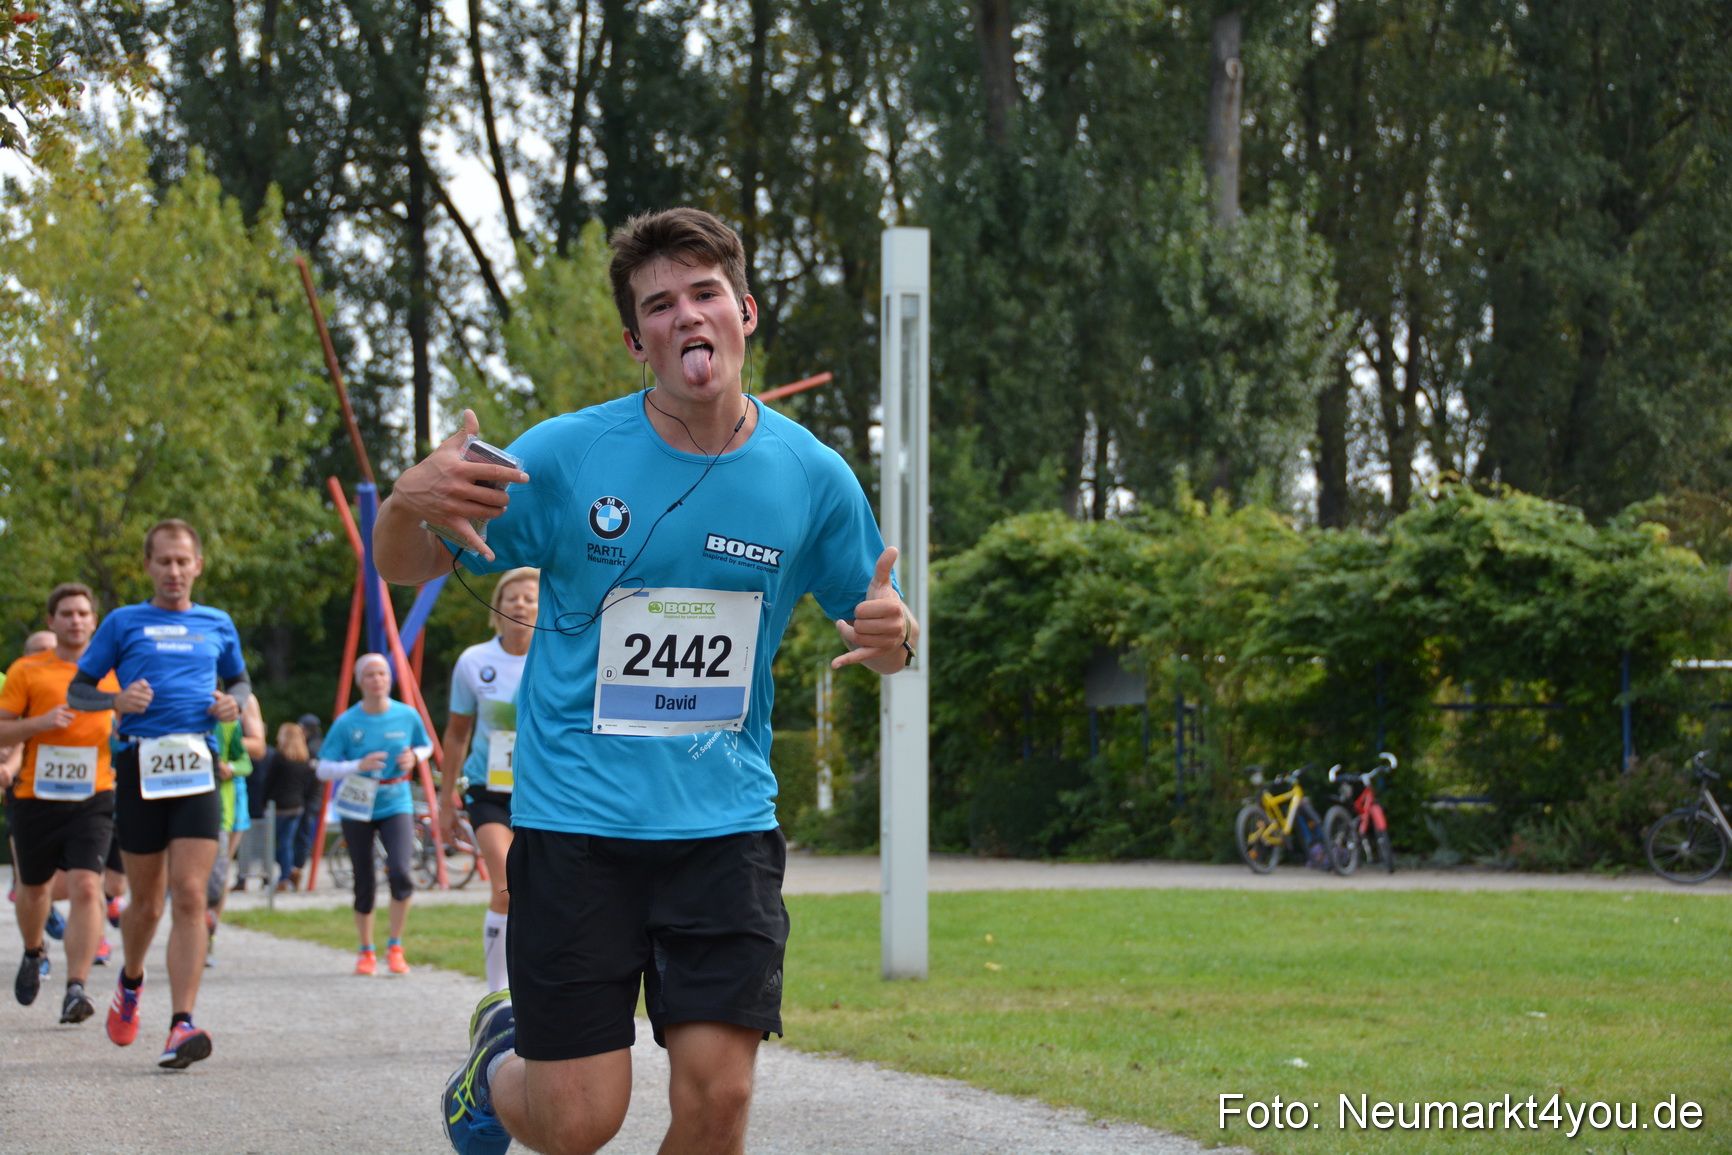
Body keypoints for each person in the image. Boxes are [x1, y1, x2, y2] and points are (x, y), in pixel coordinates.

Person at [374, 207, 919, 1155]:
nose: (685, 316)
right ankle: (494, 1060)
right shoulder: (566, 455)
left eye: (704, 293)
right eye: (658, 305)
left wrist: (895, 636)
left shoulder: (812, 475)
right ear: (638, 342)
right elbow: (408, 564)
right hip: (578, 826)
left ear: (744, 312)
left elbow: (880, 617)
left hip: (726, 828)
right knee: (577, 1123)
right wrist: (402, 500)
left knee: (719, 1102)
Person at [68, 519, 250, 1069]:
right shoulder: (123, 622)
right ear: (148, 566)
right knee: (145, 905)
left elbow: (239, 682)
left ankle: (181, 1025)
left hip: (197, 769)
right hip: (140, 768)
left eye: (183, 561)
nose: (173, 571)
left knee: (191, 895)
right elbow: (81, 689)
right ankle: (130, 980)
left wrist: (231, 703)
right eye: (163, 561)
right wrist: (116, 701)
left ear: (197, 566)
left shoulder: (218, 623)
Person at [0, 583, 120, 1023]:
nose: (75, 620)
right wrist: (40, 722)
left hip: (94, 794)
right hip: (35, 795)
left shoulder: (113, 672)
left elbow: (130, 722)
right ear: (51, 621)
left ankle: (76, 988)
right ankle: (33, 952)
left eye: (83, 613)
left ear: (94, 621)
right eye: (66, 613)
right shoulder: (27, 671)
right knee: (34, 890)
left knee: (90, 886)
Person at [441, 567, 538, 993]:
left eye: (530, 597)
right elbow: (457, 733)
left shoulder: (561, 657)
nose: (520, 603)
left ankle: (536, 993)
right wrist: (447, 799)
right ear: (496, 609)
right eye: (510, 597)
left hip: (545, 795)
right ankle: (498, 997)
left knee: (545, 899)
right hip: (489, 792)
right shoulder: (474, 662)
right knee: (506, 887)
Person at [316, 653, 431, 976]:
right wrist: (357, 765)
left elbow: (425, 747)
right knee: (363, 877)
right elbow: (323, 768)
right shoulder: (347, 722)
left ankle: (395, 945)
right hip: (358, 804)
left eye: (382, 673)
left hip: (396, 801)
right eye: (370, 675)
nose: (377, 680)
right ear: (359, 682)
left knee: (400, 871)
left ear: (390, 679)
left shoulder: (407, 715)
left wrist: (413, 757)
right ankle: (366, 950)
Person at [259, 722, 315, 891]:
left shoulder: (278, 758)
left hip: (278, 806)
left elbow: (268, 783)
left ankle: (282, 875)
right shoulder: (304, 760)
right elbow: (308, 786)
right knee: (287, 843)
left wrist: (263, 802)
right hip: (296, 806)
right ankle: (287, 874)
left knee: (270, 844)